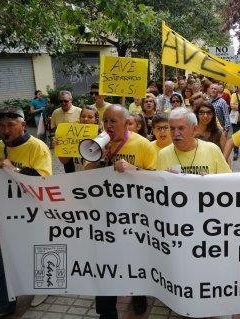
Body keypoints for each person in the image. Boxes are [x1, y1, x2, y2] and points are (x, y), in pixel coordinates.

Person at [86, 104, 156, 319]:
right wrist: (97, 159)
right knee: (105, 263)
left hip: (135, 216)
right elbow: (86, 176)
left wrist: (134, 170)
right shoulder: (98, 143)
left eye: (113, 121)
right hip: (106, 215)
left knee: (135, 259)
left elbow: (156, 181)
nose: (107, 125)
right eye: (105, 120)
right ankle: (107, 312)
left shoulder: (143, 145)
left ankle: (139, 294)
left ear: (127, 123)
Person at [0, 106, 52, 318]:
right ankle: (4, 304)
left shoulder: (37, 147)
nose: (5, 130)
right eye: (2, 126)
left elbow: (42, 182)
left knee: (42, 251)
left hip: (36, 211)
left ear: (23, 125)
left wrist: (12, 168)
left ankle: (47, 288)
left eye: (10, 125)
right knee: (6, 256)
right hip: (12, 213)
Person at [157, 107, 231, 175]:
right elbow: (157, 186)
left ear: (195, 130)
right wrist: (165, 180)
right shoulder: (163, 155)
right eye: (172, 129)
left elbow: (227, 182)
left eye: (181, 128)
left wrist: (210, 180)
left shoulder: (212, 150)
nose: (176, 133)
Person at [50, 90, 82, 173]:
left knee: (81, 170)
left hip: (78, 147)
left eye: (66, 101)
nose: (63, 103)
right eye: (61, 101)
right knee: (68, 170)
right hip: (64, 147)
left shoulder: (80, 111)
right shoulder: (55, 113)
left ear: (71, 100)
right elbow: (53, 128)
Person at [73, 106, 100, 172]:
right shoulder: (73, 136)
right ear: (79, 118)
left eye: (90, 117)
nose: (85, 119)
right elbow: (64, 161)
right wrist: (60, 146)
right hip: (77, 177)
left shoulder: (101, 138)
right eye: (83, 116)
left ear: (96, 120)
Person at [230, 87, 240, 160]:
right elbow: (232, 106)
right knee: (235, 135)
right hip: (235, 120)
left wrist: (237, 105)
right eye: (239, 86)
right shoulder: (234, 95)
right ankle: (235, 152)